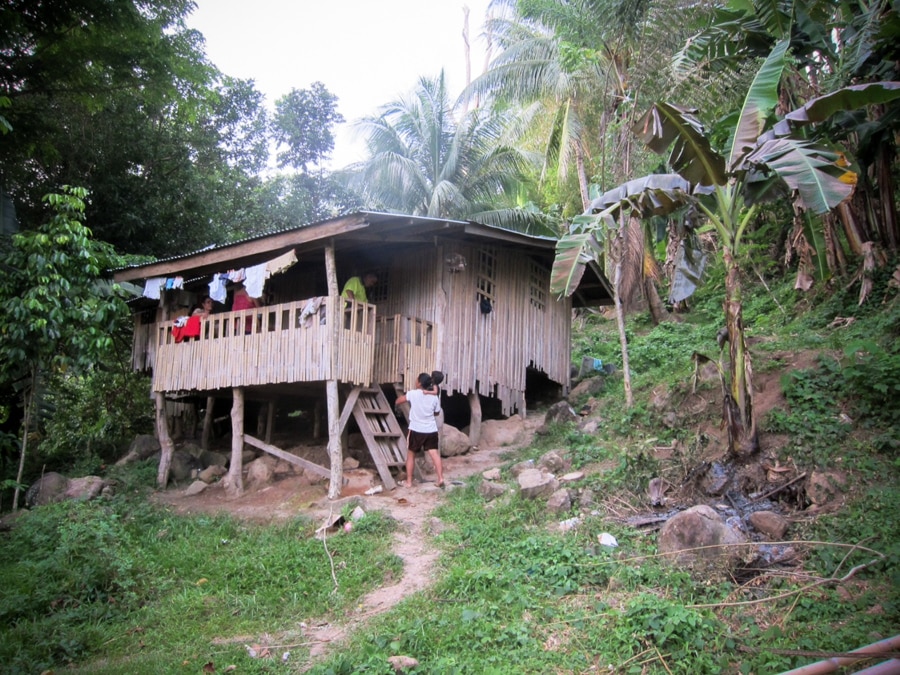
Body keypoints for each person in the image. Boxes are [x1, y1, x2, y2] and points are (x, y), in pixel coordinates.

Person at [395, 372, 444, 488]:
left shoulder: (413, 394)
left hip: (416, 430)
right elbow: (436, 412)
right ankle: (441, 478)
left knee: (411, 455)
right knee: (434, 454)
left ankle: (409, 482)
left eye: (417, 380)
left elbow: (399, 401)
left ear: (420, 383)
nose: (415, 381)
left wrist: (397, 403)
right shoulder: (434, 397)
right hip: (431, 430)